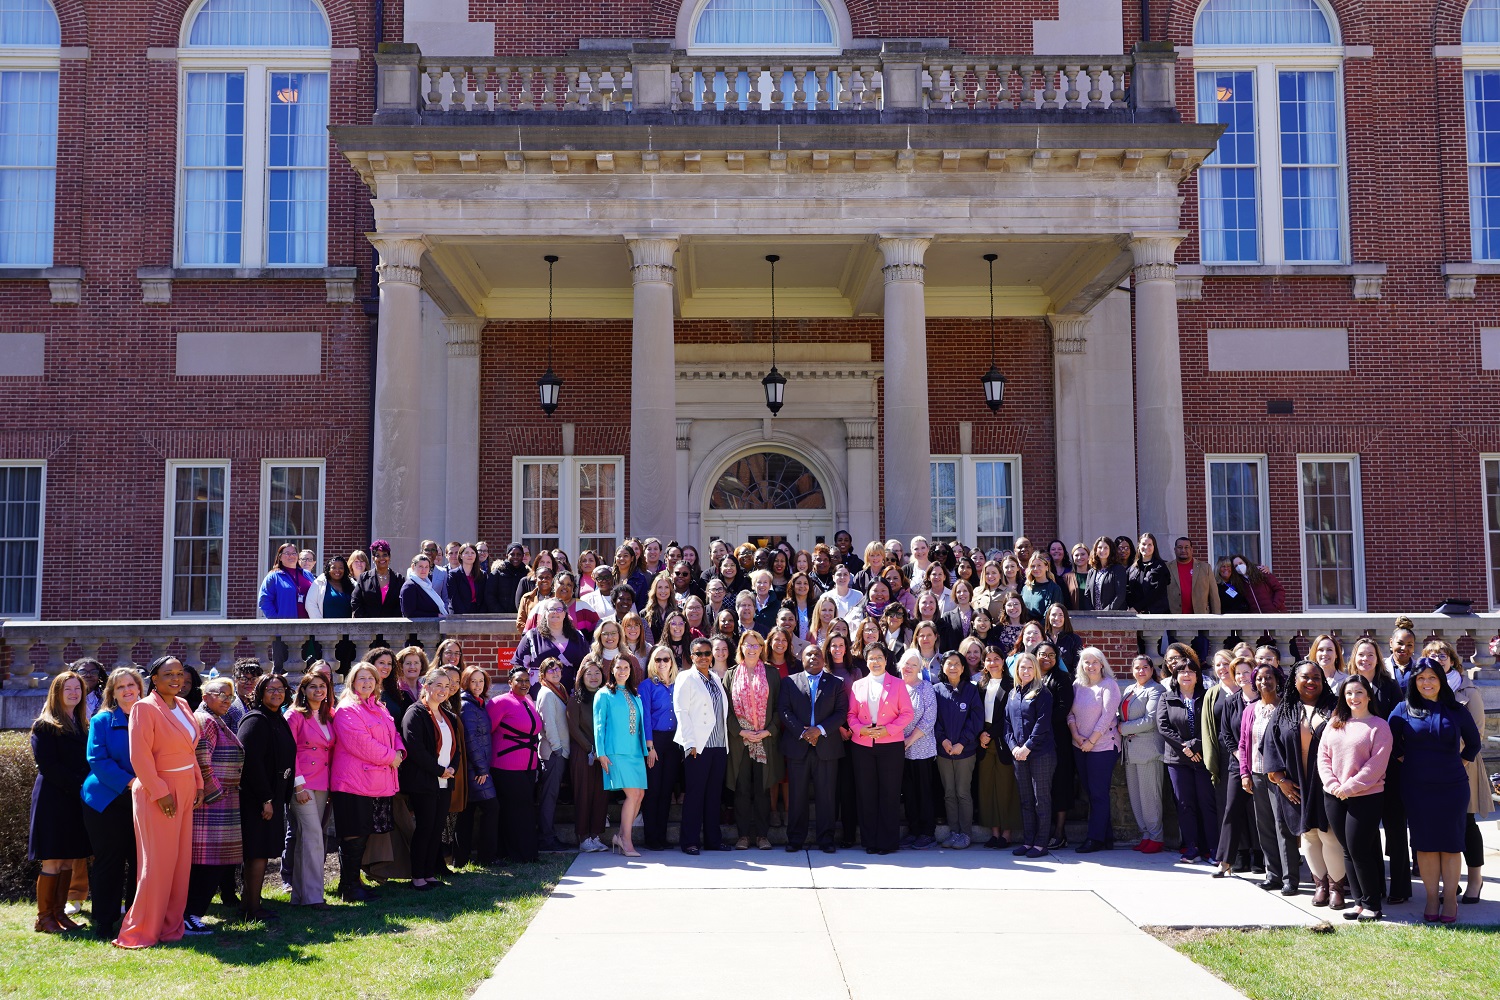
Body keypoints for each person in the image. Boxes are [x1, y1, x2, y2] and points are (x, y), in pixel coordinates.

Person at [115, 656, 203, 949]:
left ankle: (170, 925)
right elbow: (139, 756)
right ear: (154, 679)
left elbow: (190, 752)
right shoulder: (143, 707)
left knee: (179, 863)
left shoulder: (185, 705)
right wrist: (159, 791)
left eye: (179, 673)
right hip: (158, 792)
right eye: (168, 674)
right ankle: (142, 930)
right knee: (157, 863)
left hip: (186, 788)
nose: (176, 679)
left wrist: (199, 783)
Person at [1389, 656, 1483, 923]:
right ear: (1413, 682)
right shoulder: (1402, 709)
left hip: (1452, 787)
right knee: (1426, 844)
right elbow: (1390, 742)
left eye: (1432, 677)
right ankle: (1432, 898)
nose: (1426, 683)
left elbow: (1474, 743)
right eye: (1421, 678)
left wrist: (1459, 764)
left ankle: (1450, 899)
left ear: (1440, 680)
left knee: (1452, 845)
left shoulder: (1455, 709)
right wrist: (1406, 761)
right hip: (1416, 788)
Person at [1263, 661, 1343, 904]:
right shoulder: (1284, 710)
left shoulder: (1336, 707)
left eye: (1316, 677)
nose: (1311, 682)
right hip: (1296, 786)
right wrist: (1281, 780)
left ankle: (1336, 887)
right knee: (1308, 835)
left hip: (1327, 784)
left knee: (1329, 835)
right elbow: (1269, 747)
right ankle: (1320, 884)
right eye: (1305, 677)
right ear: (1294, 681)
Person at [1424, 639, 1495, 904]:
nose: (1439, 658)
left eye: (1443, 654)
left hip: (1463, 766)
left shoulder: (1469, 691)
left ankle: (1475, 880)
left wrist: (1455, 764)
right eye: (1432, 654)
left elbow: (1476, 734)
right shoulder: (1426, 689)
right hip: (1433, 770)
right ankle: (1449, 883)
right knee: (1440, 825)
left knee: (1466, 824)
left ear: (1453, 660)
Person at [1317, 674, 1392, 921]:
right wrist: (1332, 784)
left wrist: (1348, 787)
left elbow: (1376, 765)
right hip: (1334, 795)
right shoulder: (1335, 723)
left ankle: (1373, 905)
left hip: (1366, 797)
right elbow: (1323, 757)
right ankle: (1359, 903)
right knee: (1348, 850)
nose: (1354, 698)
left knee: (1360, 849)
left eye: (1359, 692)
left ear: (1368, 695)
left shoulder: (1379, 726)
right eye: (1349, 693)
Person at [330, 661, 403, 903]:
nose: (367, 683)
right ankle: (350, 887)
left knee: (362, 833)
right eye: (362, 678)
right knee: (353, 835)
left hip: (374, 781)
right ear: (352, 681)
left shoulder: (379, 707)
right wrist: (392, 757)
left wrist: (400, 751)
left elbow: (395, 734)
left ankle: (350, 883)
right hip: (352, 783)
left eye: (371, 679)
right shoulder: (347, 709)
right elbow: (362, 744)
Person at [81, 666, 143, 938]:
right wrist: (132, 782)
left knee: (140, 860)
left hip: (142, 799)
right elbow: (97, 760)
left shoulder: (152, 717)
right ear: (113, 693)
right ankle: (105, 922)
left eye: (131, 684)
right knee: (110, 860)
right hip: (106, 799)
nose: (127, 690)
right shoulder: (102, 721)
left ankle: (135, 918)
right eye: (120, 687)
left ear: (140, 688)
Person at [29, 671, 91, 934]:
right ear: (56, 692)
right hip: (53, 798)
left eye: (78, 689)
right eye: (68, 689)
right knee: (53, 860)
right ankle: (44, 918)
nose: (74, 693)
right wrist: (80, 784)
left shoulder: (81, 724)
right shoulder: (45, 725)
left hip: (73, 800)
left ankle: (58, 914)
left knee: (67, 859)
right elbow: (48, 766)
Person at [183, 676, 242, 933]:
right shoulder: (205, 720)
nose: (227, 700)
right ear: (205, 696)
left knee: (217, 861)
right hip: (212, 804)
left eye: (230, 696)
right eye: (221, 694)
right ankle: (190, 914)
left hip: (224, 801)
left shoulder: (216, 719)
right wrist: (217, 794)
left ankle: (193, 913)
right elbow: (202, 761)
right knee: (207, 862)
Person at [777, 644, 846, 853]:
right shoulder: (790, 682)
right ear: (801, 658)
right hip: (798, 746)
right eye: (809, 654)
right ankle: (795, 839)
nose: (814, 657)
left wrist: (820, 730)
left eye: (818, 654)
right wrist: (804, 732)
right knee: (797, 796)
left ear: (824, 660)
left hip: (827, 747)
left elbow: (841, 712)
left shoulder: (836, 683)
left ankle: (826, 840)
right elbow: (784, 710)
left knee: (826, 796)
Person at [237, 673, 295, 921]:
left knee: (261, 851)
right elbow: (250, 763)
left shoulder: (277, 719)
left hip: (274, 796)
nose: (276, 693)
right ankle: (252, 909)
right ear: (260, 693)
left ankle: (252, 903)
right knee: (257, 852)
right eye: (270, 689)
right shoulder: (255, 720)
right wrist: (266, 799)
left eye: (280, 689)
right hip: (257, 799)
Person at [847, 644, 914, 855]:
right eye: (871, 658)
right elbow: (851, 715)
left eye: (879, 657)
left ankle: (886, 842)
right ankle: (870, 841)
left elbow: (907, 713)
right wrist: (861, 730)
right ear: (866, 661)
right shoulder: (858, 685)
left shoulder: (898, 684)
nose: (875, 662)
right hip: (863, 745)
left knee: (889, 793)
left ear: (886, 660)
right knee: (866, 793)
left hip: (890, 744)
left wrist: (888, 730)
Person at [400, 669, 458, 890]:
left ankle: (430, 873)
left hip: (445, 780)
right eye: (438, 686)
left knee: (436, 828)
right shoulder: (414, 713)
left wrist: (452, 768)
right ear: (426, 686)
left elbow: (456, 748)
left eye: (446, 686)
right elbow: (415, 749)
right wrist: (438, 770)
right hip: (424, 780)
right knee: (425, 828)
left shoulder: (448, 715)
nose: (443, 690)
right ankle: (417, 876)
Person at [674, 637, 733, 855]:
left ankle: (712, 840)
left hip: (719, 744)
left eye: (707, 653)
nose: (704, 657)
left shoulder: (716, 678)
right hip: (697, 745)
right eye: (699, 654)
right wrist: (690, 744)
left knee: (713, 795)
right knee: (695, 794)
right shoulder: (685, 678)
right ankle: (689, 841)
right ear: (692, 657)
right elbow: (682, 712)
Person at [1158, 651, 1215, 863]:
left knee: (1206, 803)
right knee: (1184, 804)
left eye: (1191, 671)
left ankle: (1213, 848)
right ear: (1175, 676)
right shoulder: (1167, 697)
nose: (1187, 675)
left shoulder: (1207, 696)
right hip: (1177, 760)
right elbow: (1163, 727)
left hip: (1202, 757)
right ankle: (1191, 847)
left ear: (1198, 676)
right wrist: (1185, 747)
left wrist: (1195, 745)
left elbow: (1211, 725)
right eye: (1182, 671)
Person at [726, 630, 781, 850]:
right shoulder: (731, 674)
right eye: (747, 645)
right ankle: (742, 836)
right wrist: (741, 732)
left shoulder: (771, 674)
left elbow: (779, 708)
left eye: (756, 645)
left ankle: (761, 835)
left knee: (763, 788)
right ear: (741, 648)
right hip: (741, 740)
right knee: (742, 789)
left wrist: (769, 731)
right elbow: (726, 711)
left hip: (764, 740)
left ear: (761, 648)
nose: (752, 648)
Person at [285, 672, 335, 908]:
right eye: (313, 686)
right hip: (302, 784)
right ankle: (314, 897)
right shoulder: (294, 715)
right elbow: (289, 752)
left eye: (322, 686)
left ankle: (300, 897)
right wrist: (297, 785)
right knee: (313, 836)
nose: (318, 690)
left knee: (309, 838)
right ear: (303, 691)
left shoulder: (328, 716)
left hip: (322, 783)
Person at [595, 656, 652, 856]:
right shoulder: (603, 694)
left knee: (640, 794)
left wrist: (647, 749)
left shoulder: (634, 694)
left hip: (635, 752)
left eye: (626, 667)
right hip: (616, 751)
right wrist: (601, 753)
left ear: (631, 670)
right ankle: (626, 841)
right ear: (612, 670)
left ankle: (620, 836)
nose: (622, 671)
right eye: (618, 667)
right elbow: (599, 725)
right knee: (632, 794)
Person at [1067, 647, 1121, 852]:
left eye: (1094, 662)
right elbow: (1069, 714)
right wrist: (1075, 734)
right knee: (1091, 793)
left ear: (1101, 664)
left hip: (1103, 747)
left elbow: (1108, 717)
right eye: (1086, 662)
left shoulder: (1109, 686)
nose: (1090, 666)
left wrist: (1092, 740)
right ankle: (1106, 837)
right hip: (1079, 745)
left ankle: (1095, 839)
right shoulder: (1077, 685)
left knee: (1098, 793)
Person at [1211, 656, 1262, 878]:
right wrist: (1241, 758)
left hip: (1263, 765)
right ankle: (1225, 861)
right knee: (1231, 810)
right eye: (1238, 673)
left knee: (1261, 813)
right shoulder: (1232, 702)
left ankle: (1267, 859)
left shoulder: (1265, 699)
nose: (1241, 677)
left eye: (1245, 672)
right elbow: (1226, 735)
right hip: (1237, 764)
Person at [488, 665, 544, 863]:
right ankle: (518, 854)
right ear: (510, 682)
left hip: (528, 766)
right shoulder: (499, 702)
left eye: (527, 680)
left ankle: (522, 852)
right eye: (519, 680)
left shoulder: (528, 701)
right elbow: (488, 733)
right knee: (515, 810)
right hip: (505, 766)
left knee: (524, 808)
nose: (523, 684)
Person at [1002, 652, 1055, 859]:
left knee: (1040, 800)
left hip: (1041, 754)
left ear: (1036, 670)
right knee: (1025, 800)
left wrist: (1028, 747)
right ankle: (1028, 841)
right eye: (1022, 668)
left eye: (1030, 668)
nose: (1026, 671)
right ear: (1017, 670)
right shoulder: (1013, 693)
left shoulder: (1043, 693)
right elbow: (1007, 724)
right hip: (1018, 754)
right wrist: (1014, 747)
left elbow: (1042, 725)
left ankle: (1041, 844)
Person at [932, 650, 983, 850]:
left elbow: (976, 719)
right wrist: (943, 740)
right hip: (944, 751)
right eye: (949, 664)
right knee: (949, 793)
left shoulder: (971, 690)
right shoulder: (936, 690)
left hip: (965, 751)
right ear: (943, 667)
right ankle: (954, 832)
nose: (953, 667)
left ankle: (966, 833)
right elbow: (933, 719)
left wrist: (962, 742)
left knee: (963, 792)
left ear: (963, 668)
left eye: (957, 664)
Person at [1119, 655, 1166, 853]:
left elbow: (1150, 720)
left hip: (1148, 750)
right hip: (1130, 751)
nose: (1140, 671)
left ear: (1151, 669)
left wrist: (1122, 728)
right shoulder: (1130, 689)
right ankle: (1145, 834)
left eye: (1145, 667)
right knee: (1136, 796)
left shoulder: (1156, 690)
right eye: (1137, 667)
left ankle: (1157, 836)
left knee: (1150, 796)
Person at [639, 646, 682, 852]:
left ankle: (662, 836)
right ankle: (651, 837)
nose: (662, 663)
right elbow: (645, 715)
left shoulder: (679, 684)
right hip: (655, 741)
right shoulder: (647, 685)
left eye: (666, 659)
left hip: (674, 742)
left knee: (666, 791)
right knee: (653, 790)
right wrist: (650, 746)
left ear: (672, 661)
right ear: (652, 663)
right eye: (658, 660)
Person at [455, 665, 498, 865]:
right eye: (473, 681)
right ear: (465, 682)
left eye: (481, 681)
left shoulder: (478, 704)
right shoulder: (468, 706)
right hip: (476, 770)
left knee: (467, 813)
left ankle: (461, 859)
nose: (478, 685)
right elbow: (470, 739)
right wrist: (481, 769)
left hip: (475, 768)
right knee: (491, 808)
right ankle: (486, 858)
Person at [897, 648, 939, 849]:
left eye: (914, 664)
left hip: (921, 747)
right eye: (906, 664)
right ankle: (913, 831)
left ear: (920, 667)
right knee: (909, 793)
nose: (909, 668)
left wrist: (909, 740)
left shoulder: (926, 688)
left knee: (924, 791)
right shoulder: (896, 687)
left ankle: (927, 832)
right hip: (899, 749)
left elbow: (929, 719)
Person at [567, 658, 608, 852]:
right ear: (581, 677)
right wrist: (591, 749)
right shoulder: (575, 698)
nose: (593, 677)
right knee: (583, 795)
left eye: (597, 673)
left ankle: (596, 835)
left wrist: (603, 750)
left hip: (604, 755)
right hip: (583, 754)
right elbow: (573, 728)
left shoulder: (607, 696)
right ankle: (583, 838)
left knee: (600, 795)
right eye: (588, 673)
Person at [515, 598, 590, 689]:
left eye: (559, 609)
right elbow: (518, 666)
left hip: (572, 694)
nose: (555, 612)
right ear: (545, 614)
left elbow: (587, 664)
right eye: (551, 609)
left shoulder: (578, 636)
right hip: (539, 693)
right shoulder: (532, 636)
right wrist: (525, 693)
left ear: (565, 613)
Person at [1165, 537, 1220, 615]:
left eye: (1186, 547)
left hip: (1200, 617)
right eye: (1180, 547)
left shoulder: (1205, 568)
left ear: (1191, 549)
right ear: (1175, 549)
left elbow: (1214, 596)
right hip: (1174, 618)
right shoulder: (1166, 568)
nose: (1183, 550)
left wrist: (1216, 618)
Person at [351, 540, 403, 618]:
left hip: (393, 626)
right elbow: (355, 601)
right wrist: (366, 621)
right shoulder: (364, 578)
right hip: (368, 626)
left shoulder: (399, 579)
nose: (381, 558)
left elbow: (403, 603)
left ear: (389, 557)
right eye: (377, 555)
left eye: (385, 555)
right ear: (373, 558)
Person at [258, 542, 310, 619]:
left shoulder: (307, 574)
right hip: (285, 626)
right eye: (287, 553)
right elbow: (264, 601)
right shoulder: (273, 576)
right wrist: (276, 621)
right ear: (280, 557)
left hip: (309, 625)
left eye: (294, 553)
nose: (291, 556)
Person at [1080, 536, 1129, 611]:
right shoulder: (1092, 571)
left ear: (1111, 550)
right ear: (1096, 550)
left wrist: (1106, 612)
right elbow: (1087, 595)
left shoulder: (1118, 569)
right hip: (1095, 617)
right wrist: (1093, 613)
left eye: (1106, 547)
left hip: (1113, 615)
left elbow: (1120, 596)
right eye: (1099, 547)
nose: (1102, 550)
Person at [1127, 532, 1171, 614]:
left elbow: (1156, 592)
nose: (1146, 547)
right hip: (1136, 614)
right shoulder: (1132, 568)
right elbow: (1128, 591)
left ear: (1154, 547)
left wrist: (1137, 607)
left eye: (1150, 544)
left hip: (1157, 614)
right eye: (1143, 544)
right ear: (1139, 546)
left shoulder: (1160, 567)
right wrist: (1132, 607)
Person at [1020, 552, 1065, 623]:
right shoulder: (1025, 588)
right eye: (1033, 566)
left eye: (1039, 565)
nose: (1036, 568)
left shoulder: (1054, 589)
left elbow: (1052, 614)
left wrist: (1037, 629)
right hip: (1026, 629)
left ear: (1046, 567)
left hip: (1044, 630)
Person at [306, 555, 355, 619]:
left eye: (341, 568)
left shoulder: (352, 584)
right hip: (326, 627)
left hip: (348, 627)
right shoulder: (319, 583)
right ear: (328, 569)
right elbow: (310, 604)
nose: (337, 570)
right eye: (333, 567)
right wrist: (319, 623)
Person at [399, 554, 448, 619]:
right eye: (421, 566)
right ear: (413, 567)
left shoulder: (427, 585)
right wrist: (436, 615)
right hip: (418, 627)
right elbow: (409, 613)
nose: (424, 570)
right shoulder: (409, 586)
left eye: (426, 567)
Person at [486, 543, 529, 616]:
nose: (515, 557)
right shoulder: (497, 573)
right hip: (499, 616)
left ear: (522, 556)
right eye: (512, 554)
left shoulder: (527, 574)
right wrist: (500, 613)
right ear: (507, 555)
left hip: (522, 617)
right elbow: (489, 595)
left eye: (519, 554)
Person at [448, 542, 488, 615]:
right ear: (460, 556)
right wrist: (465, 616)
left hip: (478, 615)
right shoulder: (454, 574)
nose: (470, 555)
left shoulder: (482, 575)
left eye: (473, 553)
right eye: (466, 553)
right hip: (459, 615)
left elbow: (484, 598)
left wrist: (480, 614)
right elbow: (454, 599)